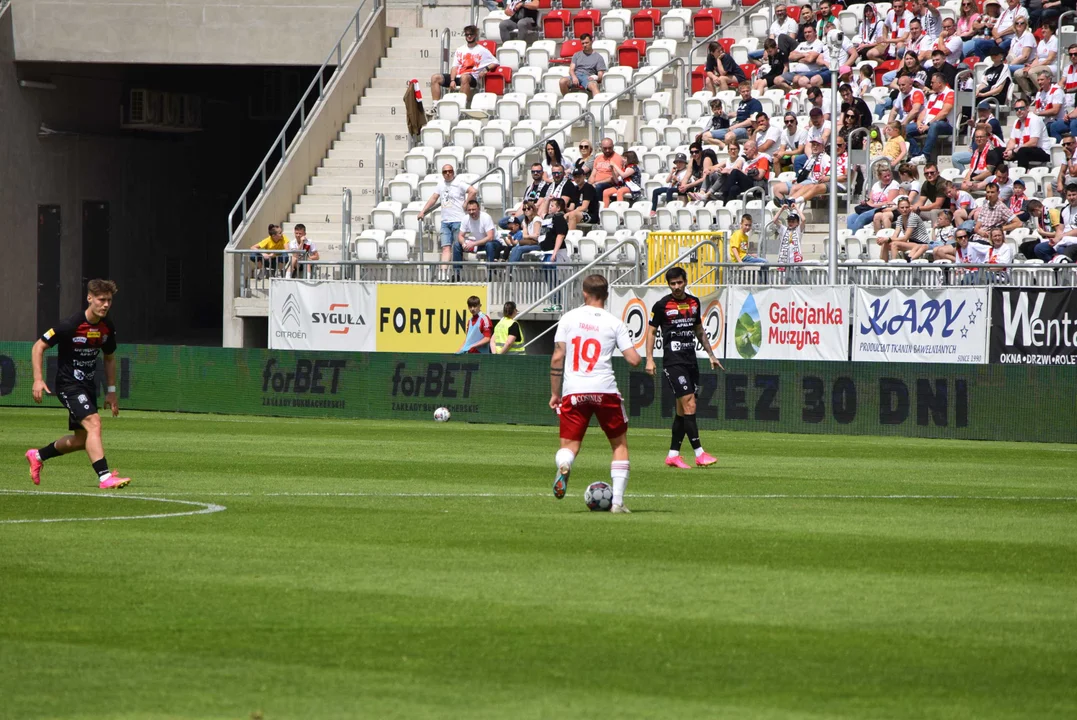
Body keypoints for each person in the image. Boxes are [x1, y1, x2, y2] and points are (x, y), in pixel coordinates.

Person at [549, 274, 642, 512]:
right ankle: (618, 503)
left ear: (584, 293)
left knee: (569, 446)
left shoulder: (568, 318)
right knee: (619, 445)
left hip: (574, 391)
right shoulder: (614, 322)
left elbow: (558, 357)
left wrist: (555, 394)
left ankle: (564, 465)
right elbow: (633, 360)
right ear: (607, 295)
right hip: (604, 390)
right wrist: (641, 357)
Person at [26, 279, 130, 490]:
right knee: (94, 423)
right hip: (68, 385)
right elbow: (38, 346)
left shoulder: (107, 326)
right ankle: (105, 477)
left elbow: (109, 357)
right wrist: (38, 379)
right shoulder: (70, 324)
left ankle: (37, 455)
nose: (106, 305)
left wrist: (111, 391)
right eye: (102, 300)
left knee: (82, 440)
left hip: (87, 386)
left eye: (109, 300)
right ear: (89, 298)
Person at [644, 267, 723, 470]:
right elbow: (651, 332)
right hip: (673, 362)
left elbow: (699, 330)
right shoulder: (661, 306)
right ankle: (699, 453)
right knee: (690, 405)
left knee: (681, 411)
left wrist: (711, 355)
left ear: (685, 281)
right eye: (673, 284)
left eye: (679, 282)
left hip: (691, 361)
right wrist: (649, 359)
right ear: (668, 285)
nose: (677, 287)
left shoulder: (694, 303)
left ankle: (673, 455)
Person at [417, 165, 476, 280]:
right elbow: (434, 198)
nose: (448, 173)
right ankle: (443, 273)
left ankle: (457, 272)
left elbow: (473, 191)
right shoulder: (441, 184)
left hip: (458, 220)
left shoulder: (459, 182)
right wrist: (423, 211)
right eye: (445, 172)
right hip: (445, 221)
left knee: (457, 247)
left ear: (453, 172)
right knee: (445, 247)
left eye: (450, 171)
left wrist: (466, 204)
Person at [429, 25, 496, 107]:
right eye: (467, 34)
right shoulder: (460, 49)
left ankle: (462, 106)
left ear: (475, 35)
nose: (469, 36)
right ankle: (435, 106)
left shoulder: (482, 50)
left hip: (471, 78)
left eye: (471, 34)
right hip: (458, 76)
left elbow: (495, 62)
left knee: (464, 77)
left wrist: (485, 69)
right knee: (435, 77)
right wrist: (452, 80)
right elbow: (454, 67)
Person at [906, 72, 954, 164]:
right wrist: (919, 122)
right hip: (927, 124)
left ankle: (925, 155)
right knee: (905, 129)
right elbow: (924, 111)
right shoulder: (932, 96)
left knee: (935, 125)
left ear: (939, 83)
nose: (930, 84)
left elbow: (944, 113)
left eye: (932, 82)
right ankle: (916, 155)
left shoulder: (950, 93)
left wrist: (928, 124)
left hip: (945, 125)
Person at [847, 164, 901, 230]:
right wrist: (866, 203)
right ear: (879, 177)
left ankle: (854, 236)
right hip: (872, 208)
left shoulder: (894, 184)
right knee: (850, 218)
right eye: (885, 176)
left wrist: (873, 205)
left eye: (889, 175)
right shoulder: (876, 185)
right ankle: (852, 236)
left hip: (882, 209)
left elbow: (889, 202)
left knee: (862, 217)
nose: (888, 178)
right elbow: (870, 200)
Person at [540, 197, 571, 312]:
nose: (550, 207)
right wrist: (548, 200)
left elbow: (560, 235)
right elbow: (542, 212)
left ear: (558, 208)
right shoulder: (549, 217)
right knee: (549, 279)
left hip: (554, 253)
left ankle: (557, 303)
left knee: (554, 278)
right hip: (546, 252)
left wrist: (554, 252)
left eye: (552, 206)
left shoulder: (559, 218)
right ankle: (553, 302)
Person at [1014, 22, 1058, 95]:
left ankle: (1043, 92)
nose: (1043, 30)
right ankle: (1029, 94)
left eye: (1046, 28)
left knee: (1031, 72)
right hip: (1038, 66)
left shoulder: (1055, 41)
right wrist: (1031, 66)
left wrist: (1033, 67)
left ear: (1052, 31)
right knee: (1018, 73)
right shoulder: (1041, 42)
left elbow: (1049, 60)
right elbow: (1037, 58)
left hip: (1050, 66)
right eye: (1042, 28)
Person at [780, 24, 829, 89]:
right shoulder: (802, 44)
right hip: (796, 71)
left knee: (796, 79)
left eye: (809, 32)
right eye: (805, 32)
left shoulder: (818, 43)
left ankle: (794, 94)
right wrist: (804, 54)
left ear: (815, 33)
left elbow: (810, 59)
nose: (807, 34)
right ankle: (791, 92)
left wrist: (798, 58)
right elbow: (790, 56)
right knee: (777, 80)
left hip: (810, 71)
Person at [1004, 99, 1051, 166]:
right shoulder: (1016, 122)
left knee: (1022, 151)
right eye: (1017, 109)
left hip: (1042, 152)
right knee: (997, 151)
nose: (1019, 111)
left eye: (1021, 108)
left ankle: (1021, 174)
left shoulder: (1034, 119)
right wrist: (1007, 151)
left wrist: (1014, 151)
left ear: (1027, 108)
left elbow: (1033, 142)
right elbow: (1012, 141)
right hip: (1022, 150)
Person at [454, 200, 499, 270]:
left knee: (489, 245)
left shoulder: (486, 217)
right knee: (457, 245)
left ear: (479, 209)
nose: (471, 212)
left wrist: (473, 244)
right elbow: (460, 236)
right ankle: (457, 274)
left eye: (473, 209)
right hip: (479, 244)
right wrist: (463, 244)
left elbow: (490, 237)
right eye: (469, 210)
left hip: (495, 243)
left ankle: (491, 275)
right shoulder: (465, 219)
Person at [559, 33, 606, 97]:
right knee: (562, 81)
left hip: (588, 76)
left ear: (591, 42)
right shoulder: (576, 55)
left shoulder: (598, 57)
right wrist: (574, 77)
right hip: (576, 75)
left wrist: (595, 77)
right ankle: (568, 101)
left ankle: (598, 103)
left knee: (594, 85)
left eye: (587, 43)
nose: (585, 45)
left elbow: (600, 74)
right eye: (583, 43)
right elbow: (571, 69)